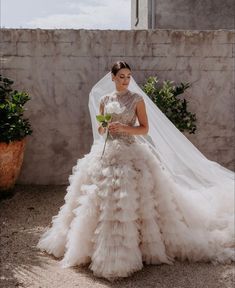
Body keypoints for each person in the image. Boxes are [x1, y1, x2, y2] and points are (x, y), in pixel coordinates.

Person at [37, 61, 234, 281]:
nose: (125, 80)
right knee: (96, 199)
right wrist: (107, 126)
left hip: (131, 151)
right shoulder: (104, 100)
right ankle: (92, 248)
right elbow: (101, 129)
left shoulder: (137, 99)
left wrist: (123, 128)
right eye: (121, 76)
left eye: (128, 76)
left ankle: (138, 247)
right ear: (112, 78)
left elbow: (144, 128)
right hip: (108, 152)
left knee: (136, 200)